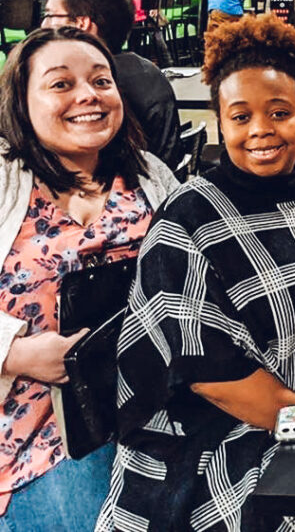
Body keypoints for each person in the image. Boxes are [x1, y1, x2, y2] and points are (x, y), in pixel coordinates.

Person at [99, 16, 295, 531]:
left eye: (280, 112)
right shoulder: (187, 222)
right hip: (220, 452)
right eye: (240, 116)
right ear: (220, 124)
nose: (261, 131)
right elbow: (218, 381)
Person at [0, 26, 178, 530]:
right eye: (60, 84)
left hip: (146, 403)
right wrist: (15, 353)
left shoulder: (149, 175)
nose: (88, 96)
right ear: (21, 101)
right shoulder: (5, 179)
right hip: (34, 421)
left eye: (101, 81)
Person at [41, 0, 184, 169]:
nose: (43, 25)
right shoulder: (148, 72)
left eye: (50, 15)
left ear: (82, 23)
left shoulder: (72, 95)